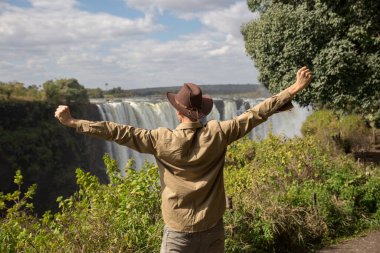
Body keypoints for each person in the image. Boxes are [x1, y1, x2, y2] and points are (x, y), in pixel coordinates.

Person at [55, 66, 312, 253]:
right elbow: (257, 114)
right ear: (200, 113)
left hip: (178, 232)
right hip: (212, 228)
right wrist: (293, 88)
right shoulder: (219, 133)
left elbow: (117, 131)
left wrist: (74, 122)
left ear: (178, 114)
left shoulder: (158, 139)